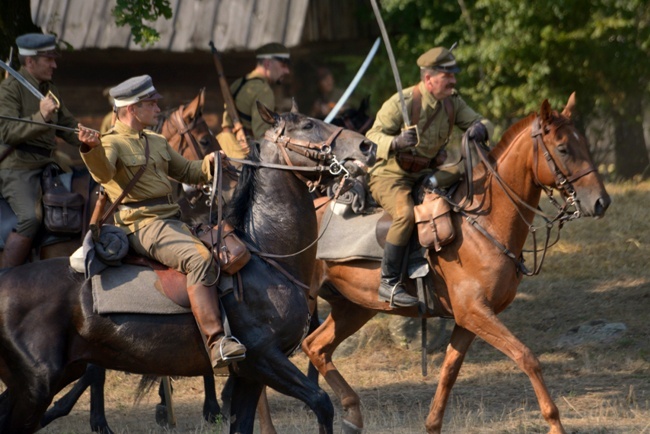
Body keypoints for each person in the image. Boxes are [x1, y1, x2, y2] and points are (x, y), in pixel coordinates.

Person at [77, 75, 246, 371]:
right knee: (200, 259)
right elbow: (103, 173)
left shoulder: (156, 141)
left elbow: (189, 172)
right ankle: (217, 342)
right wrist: (90, 149)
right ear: (132, 108)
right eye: (151, 103)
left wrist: (210, 162)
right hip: (142, 225)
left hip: (171, 221)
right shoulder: (111, 142)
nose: (158, 108)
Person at [366, 45, 494, 307]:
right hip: (391, 175)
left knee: (468, 176)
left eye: (453, 76)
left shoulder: (452, 103)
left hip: (426, 174)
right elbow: (370, 138)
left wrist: (480, 129)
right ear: (429, 79)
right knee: (404, 214)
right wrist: (397, 142)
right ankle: (389, 283)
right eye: (448, 76)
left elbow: (482, 121)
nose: (454, 81)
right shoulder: (403, 102)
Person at [0, 33, 83, 267]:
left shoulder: (49, 89)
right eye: (49, 59)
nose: (54, 64)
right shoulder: (9, 89)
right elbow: (7, 132)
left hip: (48, 166)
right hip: (18, 168)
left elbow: (66, 126)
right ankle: (6, 278)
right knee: (31, 217)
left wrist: (91, 140)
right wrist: (41, 116)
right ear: (30, 62)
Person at [221, 42, 291, 140]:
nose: (287, 71)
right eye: (283, 65)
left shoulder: (239, 83)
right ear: (267, 63)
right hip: (242, 150)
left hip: (224, 144)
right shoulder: (264, 91)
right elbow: (262, 137)